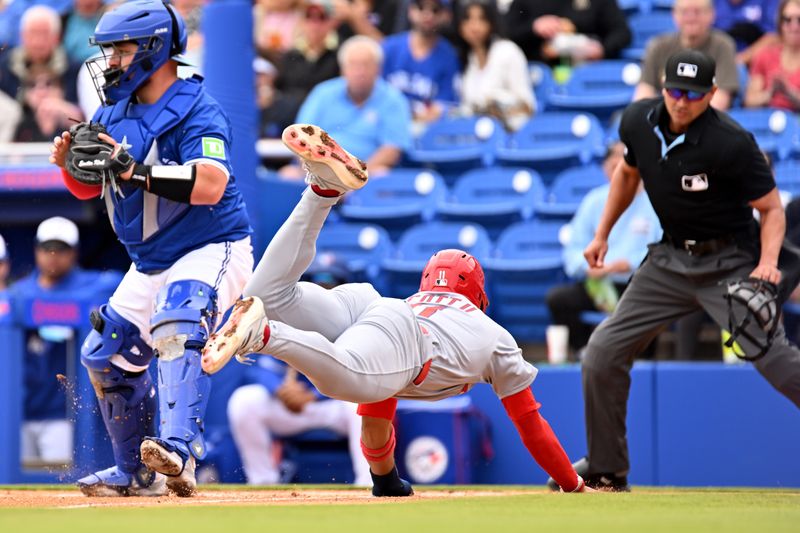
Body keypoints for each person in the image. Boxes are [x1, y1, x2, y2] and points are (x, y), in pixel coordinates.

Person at [201, 123, 593, 496]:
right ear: (478, 296)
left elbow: (374, 418)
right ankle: (263, 334)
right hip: (403, 336)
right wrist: (572, 482)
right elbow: (531, 424)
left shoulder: (418, 301)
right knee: (343, 380)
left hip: (374, 306)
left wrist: (386, 479)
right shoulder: (494, 335)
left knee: (267, 293)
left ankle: (322, 191)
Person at [48, 0, 253, 497]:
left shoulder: (196, 106)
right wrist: (69, 166)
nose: (111, 61)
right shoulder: (110, 111)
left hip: (212, 244)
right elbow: (89, 186)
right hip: (151, 258)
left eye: (120, 49)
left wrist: (134, 170)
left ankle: (179, 451)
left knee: (179, 322)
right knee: (106, 352)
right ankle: (135, 472)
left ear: (154, 49)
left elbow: (210, 183)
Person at [572, 49, 800, 491]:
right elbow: (626, 174)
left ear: (712, 94)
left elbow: (771, 209)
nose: (682, 101)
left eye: (694, 94)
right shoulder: (637, 121)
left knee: (775, 362)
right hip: (669, 259)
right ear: (662, 86)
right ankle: (606, 467)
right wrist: (601, 234)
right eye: (675, 90)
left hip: (729, 263)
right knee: (602, 351)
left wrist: (768, 264)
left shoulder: (731, 142)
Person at [227, 252, 371, 486]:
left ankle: (367, 481)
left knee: (361, 404)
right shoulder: (285, 315)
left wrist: (314, 394)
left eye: (331, 286)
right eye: (318, 284)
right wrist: (279, 390)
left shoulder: (357, 322)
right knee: (244, 401)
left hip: (334, 405)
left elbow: (361, 374)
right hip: (290, 405)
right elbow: (257, 367)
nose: (324, 291)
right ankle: (263, 481)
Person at [12, 217, 118, 465]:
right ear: (36, 250)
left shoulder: (94, 286)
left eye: (61, 249)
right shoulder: (19, 293)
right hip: (21, 410)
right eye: (47, 248)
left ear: (74, 252)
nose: (53, 255)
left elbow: (123, 284)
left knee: (60, 479)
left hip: (63, 413)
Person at [546, 142, 661, 356]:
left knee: (652, 303)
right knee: (559, 299)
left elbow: (663, 248)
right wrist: (588, 266)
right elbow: (572, 251)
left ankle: (642, 360)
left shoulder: (655, 201)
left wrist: (630, 264)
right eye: (613, 160)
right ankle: (583, 352)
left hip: (637, 283)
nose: (619, 165)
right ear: (605, 168)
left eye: (625, 159)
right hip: (598, 284)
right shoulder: (593, 201)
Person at [280, 35, 411, 178]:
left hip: (367, 173)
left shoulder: (394, 99)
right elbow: (301, 137)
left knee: (382, 174)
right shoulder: (323, 93)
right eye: (354, 65)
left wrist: (355, 177)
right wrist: (324, 177)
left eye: (366, 65)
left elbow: (392, 150)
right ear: (343, 69)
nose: (360, 72)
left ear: (378, 69)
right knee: (288, 174)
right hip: (319, 169)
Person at [633, 0, 739, 111]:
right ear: (674, 14)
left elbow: (721, 98)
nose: (691, 18)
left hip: (707, 122)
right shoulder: (658, 46)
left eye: (697, 12)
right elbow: (644, 93)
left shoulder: (723, 46)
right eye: (684, 12)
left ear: (711, 14)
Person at [261, 0, 341, 137]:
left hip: (328, 126)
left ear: (331, 22)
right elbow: (277, 89)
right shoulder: (290, 56)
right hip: (291, 125)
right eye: (309, 17)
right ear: (303, 22)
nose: (315, 24)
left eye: (321, 17)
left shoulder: (341, 55)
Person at [454, 0, 535, 132]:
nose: (474, 27)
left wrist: (498, 105)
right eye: (468, 19)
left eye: (481, 19)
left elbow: (528, 107)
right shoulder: (468, 58)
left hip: (510, 133)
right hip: (473, 134)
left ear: (491, 23)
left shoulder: (508, 51)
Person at [381, 0, 460, 125]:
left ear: (447, 15)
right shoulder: (389, 47)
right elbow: (374, 95)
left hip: (424, 131)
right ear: (410, 10)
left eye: (435, 10)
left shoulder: (449, 56)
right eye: (421, 7)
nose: (428, 15)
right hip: (385, 124)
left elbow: (445, 105)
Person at [0, 5, 81, 105]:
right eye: (33, 33)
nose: (38, 42)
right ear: (22, 36)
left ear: (57, 37)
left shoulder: (72, 69)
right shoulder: (6, 65)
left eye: (44, 34)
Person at [504, 0, 631, 64]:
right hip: (540, 68)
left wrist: (602, 49)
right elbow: (506, 34)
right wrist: (533, 27)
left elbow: (622, 33)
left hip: (588, 67)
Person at [745, 0, 800, 112]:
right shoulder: (765, 55)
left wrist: (789, 92)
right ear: (780, 23)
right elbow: (749, 101)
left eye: (799, 20)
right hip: (767, 121)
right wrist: (770, 93)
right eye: (787, 20)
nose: (794, 26)